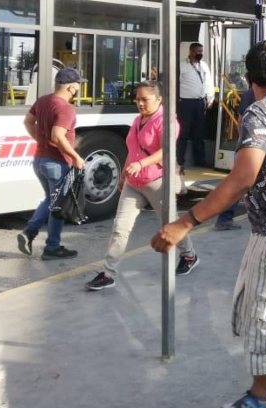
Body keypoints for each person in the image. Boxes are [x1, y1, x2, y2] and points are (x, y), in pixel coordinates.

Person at [151, 40, 266, 408]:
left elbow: (242, 177)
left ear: (249, 78)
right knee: (255, 314)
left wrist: (185, 222)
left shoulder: (259, 113)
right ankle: (261, 394)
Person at [85, 81, 198, 291]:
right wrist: (124, 175)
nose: (140, 103)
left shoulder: (167, 122)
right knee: (120, 228)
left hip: (158, 181)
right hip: (134, 183)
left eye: (144, 99)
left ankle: (189, 255)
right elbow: (133, 149)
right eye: (137, 99)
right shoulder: (137, 120)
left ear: (159, 99)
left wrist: (140, 164)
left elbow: (165, 151)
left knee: (171, 225)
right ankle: (108, 273)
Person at [17, 68, 85, 260]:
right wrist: (76, 157)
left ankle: (42, 239)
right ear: (71, 87)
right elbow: (58, 135)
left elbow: (28, 122)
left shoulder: (43, 101)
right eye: (78, 85)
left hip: (39, 160)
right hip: (56, 163)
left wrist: (40, 140)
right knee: (56, 205)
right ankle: (47, 244)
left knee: (51, 200)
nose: (78, 88)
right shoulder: (66, 108)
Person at [215, 87, 257, 232]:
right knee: (240, 186)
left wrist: (242, 141)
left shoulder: (248, 94)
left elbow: (239, 121)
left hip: (245, 146)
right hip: (256, 150)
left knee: (239, 185)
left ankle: (224, 218)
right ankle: (224, 218)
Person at [178, 42, 215, 170]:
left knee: (199, 133)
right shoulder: (182, 65)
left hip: (200, 102)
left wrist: (210, 98)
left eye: (201, 51)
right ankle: (179, 160)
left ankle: (200, 161)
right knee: (183, 133)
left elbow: (208, 82)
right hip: (186, 102)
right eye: (198, 51)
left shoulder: (203, 65)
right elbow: (175, 84)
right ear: (191, 52)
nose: (200, 54)